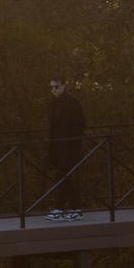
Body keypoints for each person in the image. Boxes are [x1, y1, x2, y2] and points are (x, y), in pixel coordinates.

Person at [46, 77, 87, 220]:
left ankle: (60, 208)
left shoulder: (72, 102)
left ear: (63, 86)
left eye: (56, 87)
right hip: (56, 147)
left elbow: (80, 123)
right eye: (51, 87)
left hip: (69, 147)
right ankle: (74, 208)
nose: (53, 90)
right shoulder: (51, 104)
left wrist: (71, 141)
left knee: (61, 176)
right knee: (65, 177)